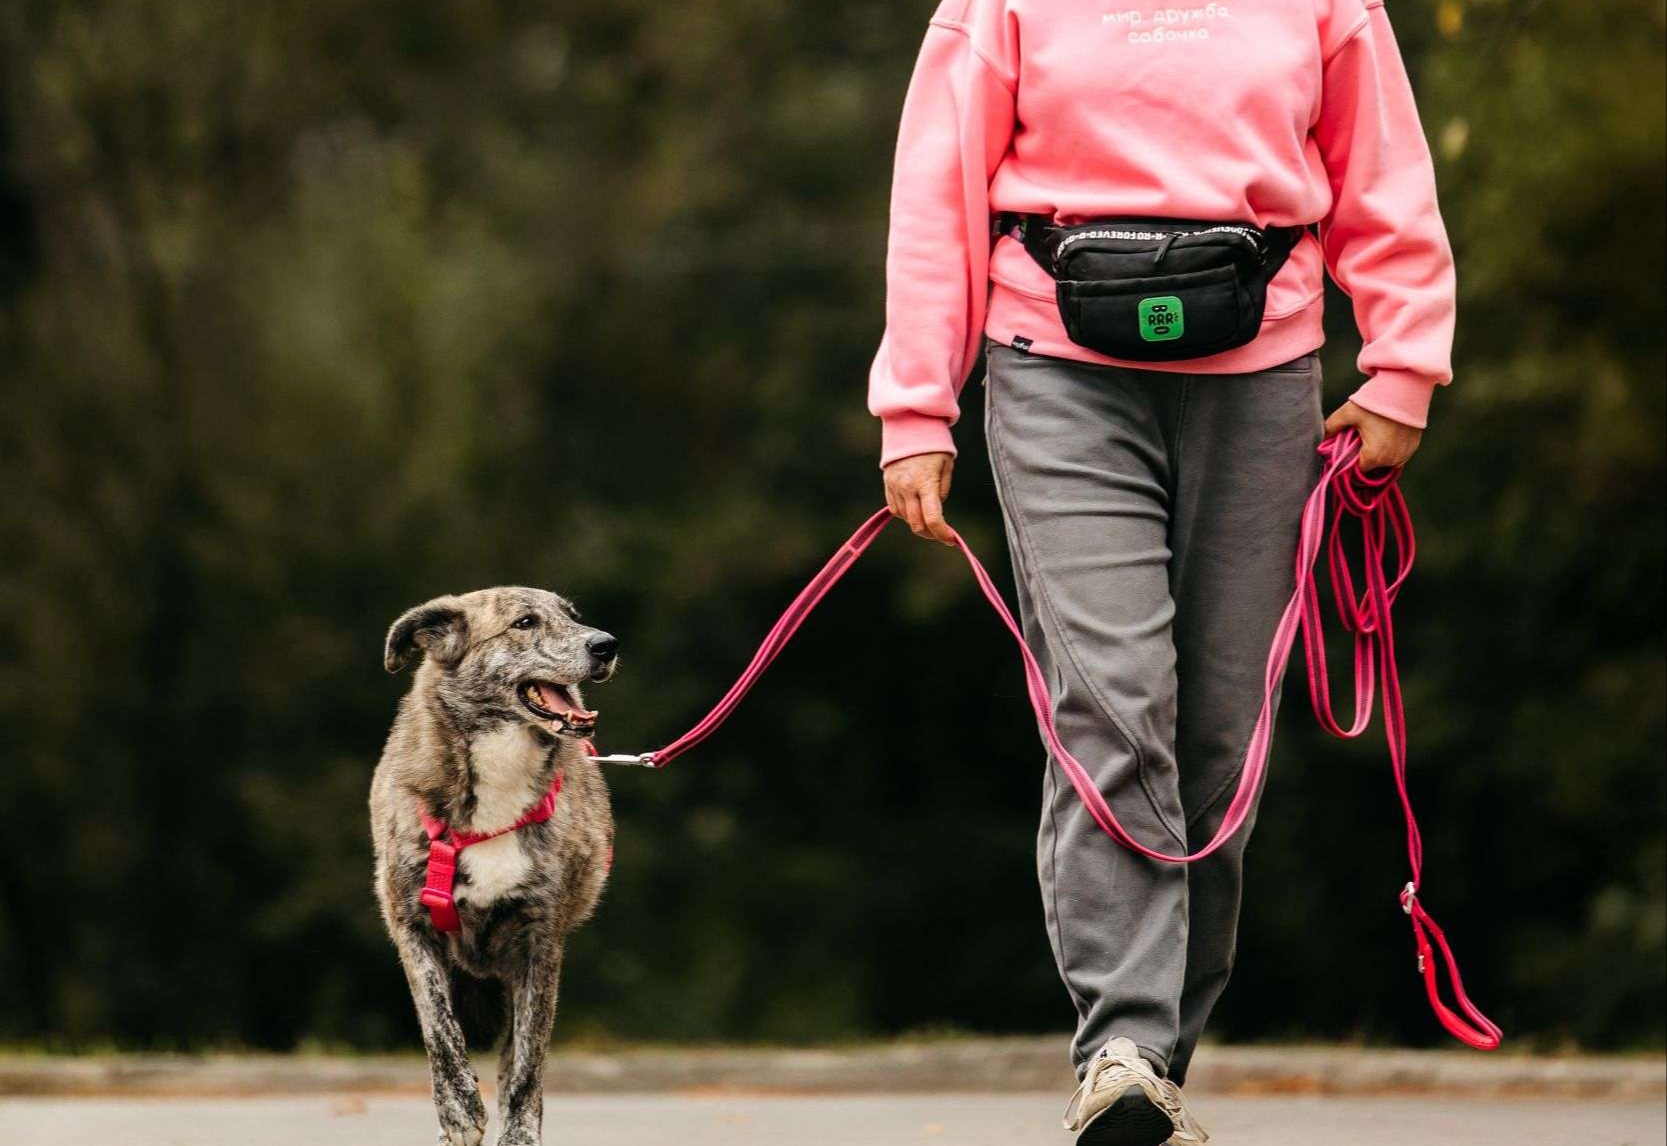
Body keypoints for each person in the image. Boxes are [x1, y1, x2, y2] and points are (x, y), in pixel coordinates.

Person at [869, 1, 1452, 1142]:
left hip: (1262, 365)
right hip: (1054, 370)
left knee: (1220, 738)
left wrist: (1401, 367)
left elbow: (1381, 167)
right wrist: (915, 407)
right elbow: (932, 196)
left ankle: (1153, 1070)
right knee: (1111, 699)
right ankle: (1123, 1045)